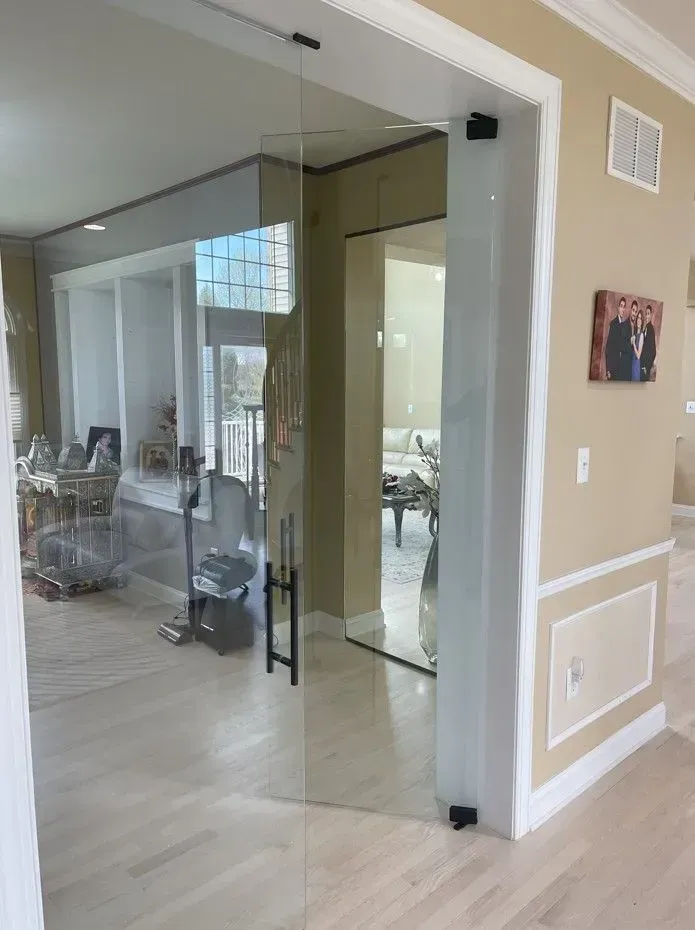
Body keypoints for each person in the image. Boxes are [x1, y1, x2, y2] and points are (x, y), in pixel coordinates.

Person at [605, 296, 632, 381]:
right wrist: (608, 369)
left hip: (621, 367)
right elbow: (608, 347)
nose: (622, 309)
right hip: (613, 367)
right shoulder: (613, 324)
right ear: (618, 308)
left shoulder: (625, 325)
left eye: (624, 307)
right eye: (621, 306)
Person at [641, 303, 657, 381]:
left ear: (651, 315)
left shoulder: (651, 330)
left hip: (645, 368)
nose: (647, 316)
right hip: (642, 365)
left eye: (648, 314)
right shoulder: (645, 328)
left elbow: (653, 352)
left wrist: (646, 367)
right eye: (646, 314)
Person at [631, 308, 644, 382]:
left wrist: (634, 344)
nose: (639, 320)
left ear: (642, 321)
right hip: (632, 363)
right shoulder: (636, 334)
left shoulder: (641, 335)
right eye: (638, 318)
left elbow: (638, 355)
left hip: (636, 365)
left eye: (640, 318)